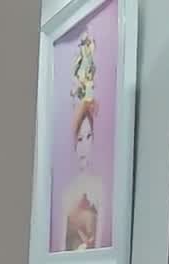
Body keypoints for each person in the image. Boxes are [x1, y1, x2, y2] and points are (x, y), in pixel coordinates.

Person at [59, 31, 105, 252]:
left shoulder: (99, 190)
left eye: (88, 137)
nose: (84, 146)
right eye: (79, 139)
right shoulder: (68, 194)